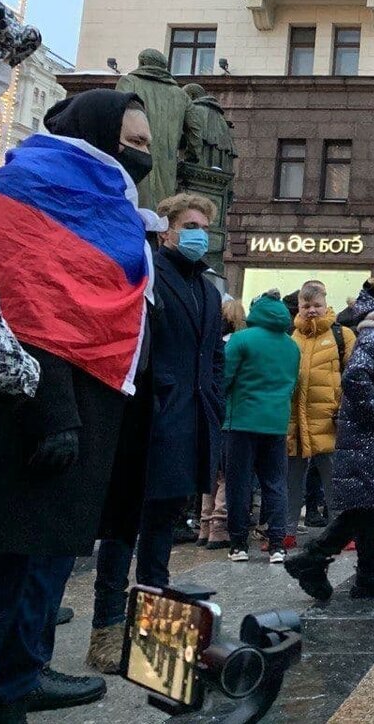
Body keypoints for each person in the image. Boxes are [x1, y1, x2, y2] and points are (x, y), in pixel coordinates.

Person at [0, 89, 156, 718]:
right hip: (33, 411)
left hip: (86, 406)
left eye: (146, 142)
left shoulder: (106, 200)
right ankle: (7, 690)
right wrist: (54, 408)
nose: (140, 152)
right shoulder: (31, 188)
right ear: (93, 130)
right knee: (9, 566)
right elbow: (30, 305)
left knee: (37, 560)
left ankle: (18, 674)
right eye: (131, 140)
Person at [87, 192, 225, 674]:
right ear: (165, 230)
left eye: (205, 227)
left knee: (163, 526)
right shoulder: (147, 273)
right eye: (190, 225)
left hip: (190, 422)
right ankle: (105, 630)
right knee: (124, 525)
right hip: (146, 417)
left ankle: (154, 633)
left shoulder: (208, 288)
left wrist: (215, 402)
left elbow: (213, 356)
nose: (199, 234)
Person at [286, 277, 374, 602]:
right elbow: (355, 375)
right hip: (369, 435)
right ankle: (313, 558)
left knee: (369, 505)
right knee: (365, 505)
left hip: (373, 437)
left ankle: (368, 572)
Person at [221, 291, 300, 564]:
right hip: (276, 423)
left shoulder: (241, 340)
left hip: (241, 421)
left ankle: (239, 544)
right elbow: (292, 384)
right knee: (275, 483)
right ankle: (277, 544)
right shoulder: (292, 346)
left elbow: (224, 379)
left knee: (239, 484)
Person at [285, 281, 355, 548]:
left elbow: (354, 377)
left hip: (329, 419)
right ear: (299, 307)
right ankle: (286, 532)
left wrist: (345, 409)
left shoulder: (342, 335)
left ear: (326, 305)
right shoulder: (292, 336)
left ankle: (342, 534)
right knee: (292, 482)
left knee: (334, 481)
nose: (311, 310)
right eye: (306, 306)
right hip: (296, 421)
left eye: (317, 305)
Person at [114, 49, 197, 210]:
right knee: (162, 211)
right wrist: (192, 156)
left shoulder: (129, 82)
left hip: (132, 157)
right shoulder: (180, 94)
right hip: (168, 165)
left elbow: (115, 118)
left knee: (132, 205)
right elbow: (196, 131)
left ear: (143, 63)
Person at [200, 298, 247, 548]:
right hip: (230, 415)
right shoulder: (237, 344)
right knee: (227, 475)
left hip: (210, 413)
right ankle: (219, 526)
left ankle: (204, 524)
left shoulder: (211, 343)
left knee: (212, 472)